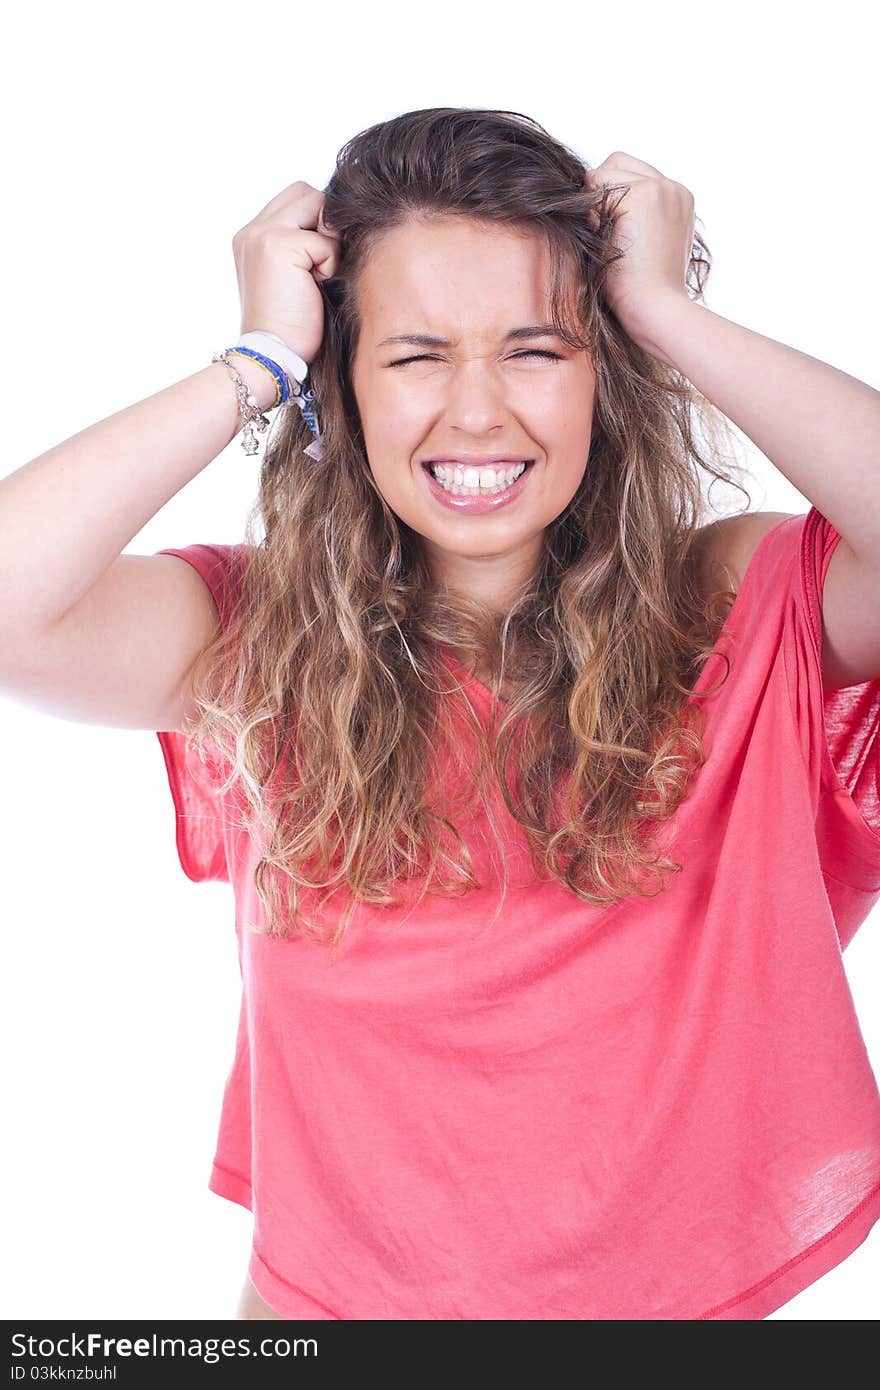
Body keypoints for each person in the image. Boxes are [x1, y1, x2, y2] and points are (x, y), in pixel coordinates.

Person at [3, 106, 880, 1322]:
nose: (475, 414)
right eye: (415, 356)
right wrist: (256, 358)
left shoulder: (728, 612)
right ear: (343, 385)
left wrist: (670, 314)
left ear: (604, 374)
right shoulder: (255, 641)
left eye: (535, 349)